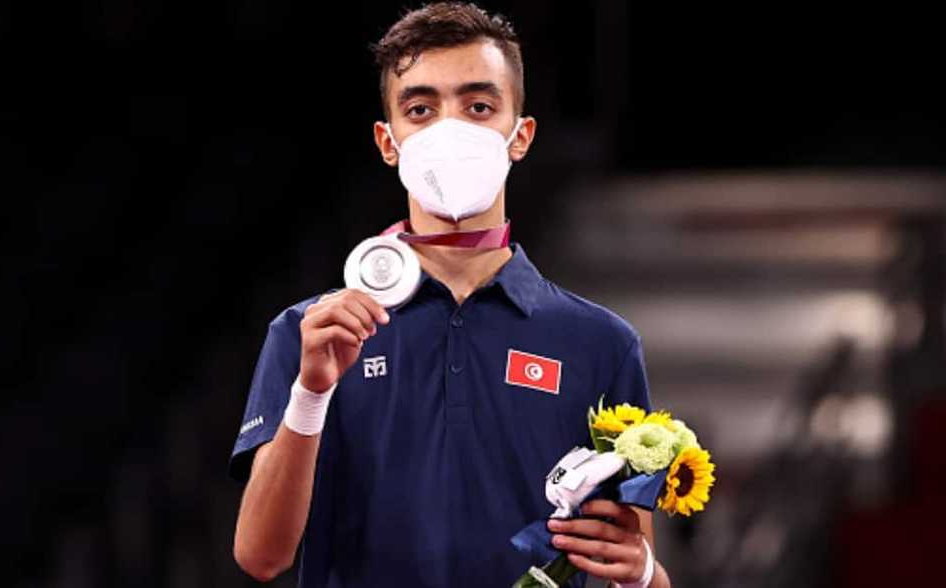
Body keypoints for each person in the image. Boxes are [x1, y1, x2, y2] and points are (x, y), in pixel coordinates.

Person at [230, 3, 672, 586]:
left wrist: (643, 575)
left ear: (521, 135)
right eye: (421, 109)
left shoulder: (602, 345)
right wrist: (311, 393)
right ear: (388, 142)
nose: (450, 129)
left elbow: (633, 564)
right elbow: (261, 557)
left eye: (479, 106)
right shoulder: (311, 334)